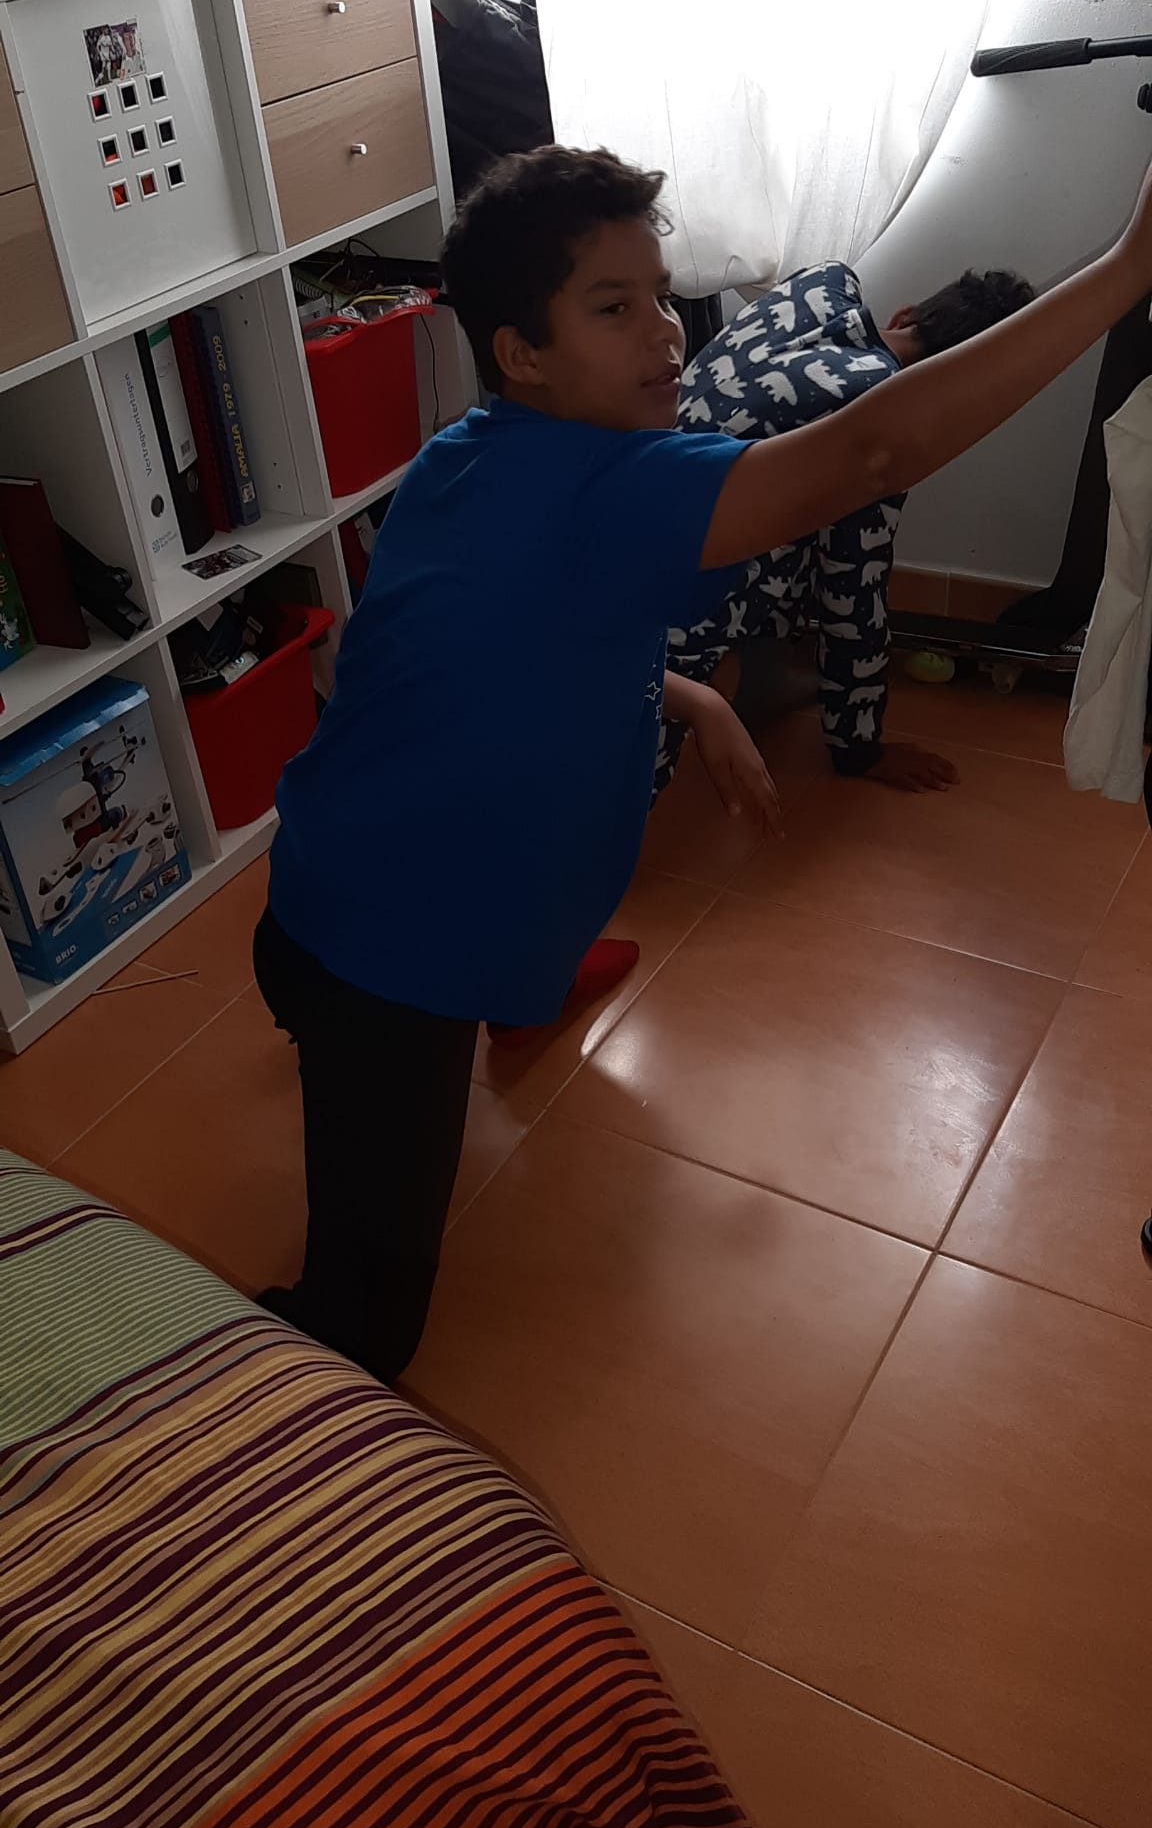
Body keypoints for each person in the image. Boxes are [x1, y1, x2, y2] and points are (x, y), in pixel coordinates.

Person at [253, 142, 1152, 1384]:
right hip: (386, 958)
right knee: (366, 1318)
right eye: (613, 308)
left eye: (660, 297)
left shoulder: (472, 452)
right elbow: (871, 452)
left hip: (336, 872)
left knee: (495, 918)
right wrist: (1128, 268)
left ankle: (522, 982)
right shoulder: (616, 486)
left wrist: (692, 697)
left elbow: (517, 633)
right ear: (522, 351)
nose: (665, 332)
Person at [657, 262, 1035, 802]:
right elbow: (853, 596)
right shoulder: (880, 426)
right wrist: (860, 750)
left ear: (905, 314)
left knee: (796, 515)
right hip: (672, 605)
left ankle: (761, 677)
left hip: (634, 500)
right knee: (626, 770)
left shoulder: (823, 284)